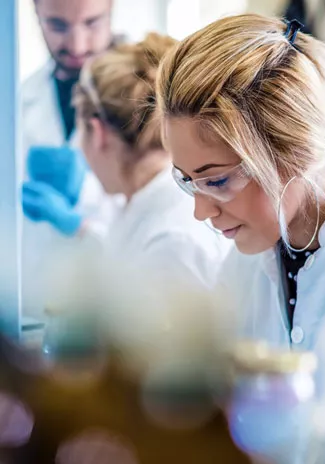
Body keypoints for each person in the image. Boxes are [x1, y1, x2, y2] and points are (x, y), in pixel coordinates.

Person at [156, 14, 325, 350]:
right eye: (188, 180)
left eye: (217, 181)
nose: (200, 212)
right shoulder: (247, 261)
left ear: (295, 150)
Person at [22, 33, 230, 303]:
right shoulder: (144, 202)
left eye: (81, 133)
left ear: (97, 133)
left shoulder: (173, 240)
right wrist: (78, 229)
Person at [22, 0, 122, 319]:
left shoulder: (149, 93)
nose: (77, 45)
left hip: (115, 304)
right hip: (37, 303)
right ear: (36, 14)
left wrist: (80, 223)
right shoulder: (20, 98)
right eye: (58, 26)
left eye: (92, 23)